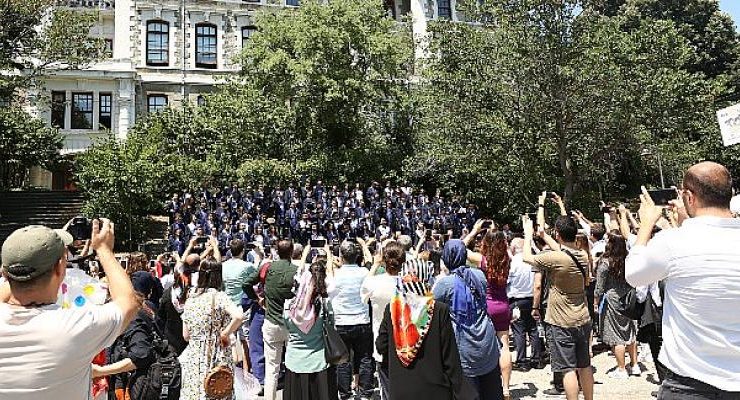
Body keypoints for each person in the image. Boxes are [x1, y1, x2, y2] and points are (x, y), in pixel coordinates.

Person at [626, 162, 740, 398]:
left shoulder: (672, 242)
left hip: (690, 382)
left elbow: (634, 275)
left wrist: (646, 224)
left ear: (688, 196)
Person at [0, 220, 139, 400]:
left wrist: (21, 274)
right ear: (60, 268)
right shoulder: (74, 327)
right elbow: (128, 301)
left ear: (5, 274)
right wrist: (104, 250)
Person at [376, 250, 476, 400]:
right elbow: (450, 357)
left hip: (400, 389)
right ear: (425, 279)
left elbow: (381, 346)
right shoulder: (439, 309)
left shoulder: (392, 310)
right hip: (435, 390)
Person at [522, 215, 594, 400]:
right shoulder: (583, 255)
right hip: (582, 317)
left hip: (561, 321)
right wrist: (545, 235)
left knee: (568, 369)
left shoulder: (556, 259)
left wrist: (528, 234)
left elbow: (526, 257)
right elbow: (563, 251)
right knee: (584, 365)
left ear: (558, 234)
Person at [433, 239, 503, 400]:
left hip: (463, 345)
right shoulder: (479, 275)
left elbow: (432, 309)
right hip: (487, 340)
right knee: (491, 390)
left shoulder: (444, 284)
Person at [243, 239, 300, 400]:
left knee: (271, 367)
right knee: (294, 366)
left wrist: (257, 299)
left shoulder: (267, 268)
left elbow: (246, 284)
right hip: (292, 324)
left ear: (276, 251)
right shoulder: (297, 271)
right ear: (291, 252)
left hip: (271, 322)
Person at [179, 258, 244, 400]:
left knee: (194, 393)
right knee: (217, 391)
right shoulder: (219, 297)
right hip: (216, 355)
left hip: (193, 357)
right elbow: (239, 316)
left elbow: (185, 335)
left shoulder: (191, 298)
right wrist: (225, 333)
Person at [464, 222, 512, 399]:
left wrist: (475, 230)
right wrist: (495, 231)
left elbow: (460, 248)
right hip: (503, 305)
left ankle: (487, 379)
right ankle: (506, 387)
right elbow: (499, 242)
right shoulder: (507, 259)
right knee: (505, 345)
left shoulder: (482, 260)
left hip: (487, 304)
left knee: (485, 344)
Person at [95, 271, 159, 400]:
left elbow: (141, 355)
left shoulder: (132, 317)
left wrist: (100, 372)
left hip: (135, 386)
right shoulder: (143, 307)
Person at [283, 260, 338, 400]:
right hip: (319, 363)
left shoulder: (289, 307)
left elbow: (287, 327)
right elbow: (331, 325)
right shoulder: (325, 306)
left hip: (294, 362)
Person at [327, 241, 374, 400]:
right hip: (361, 320)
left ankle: (345, 394)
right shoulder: (364, 272)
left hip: (342, 322)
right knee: (364, 358)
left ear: (341, 256)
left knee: (343, 361)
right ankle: (365, 393)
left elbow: (329, 293)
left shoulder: (337, 274)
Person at [360, 240, 406, 399]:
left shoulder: (374, 283)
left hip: (383, 344)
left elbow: (363, 292)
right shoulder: (409, 284)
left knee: (387, 391)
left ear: (384, 260)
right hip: (406, 343)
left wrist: (374, 264)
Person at [594, 233, 639, 379]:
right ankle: (635, 364)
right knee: (630, 332)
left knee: (616, 335)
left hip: (612, 299)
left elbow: (599, 288)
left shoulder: (605, 262)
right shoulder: (629, 260)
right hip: (629, 297)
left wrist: (596, 302)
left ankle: (621, 369)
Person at [506, 238, 541, 371]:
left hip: (516, 299)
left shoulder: (513, 262)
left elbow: (507, 280)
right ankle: (536, 359)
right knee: (533, 329)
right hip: (531, 298)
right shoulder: (531, 260)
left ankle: (522, 361)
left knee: (519, 331)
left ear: (514, 248)